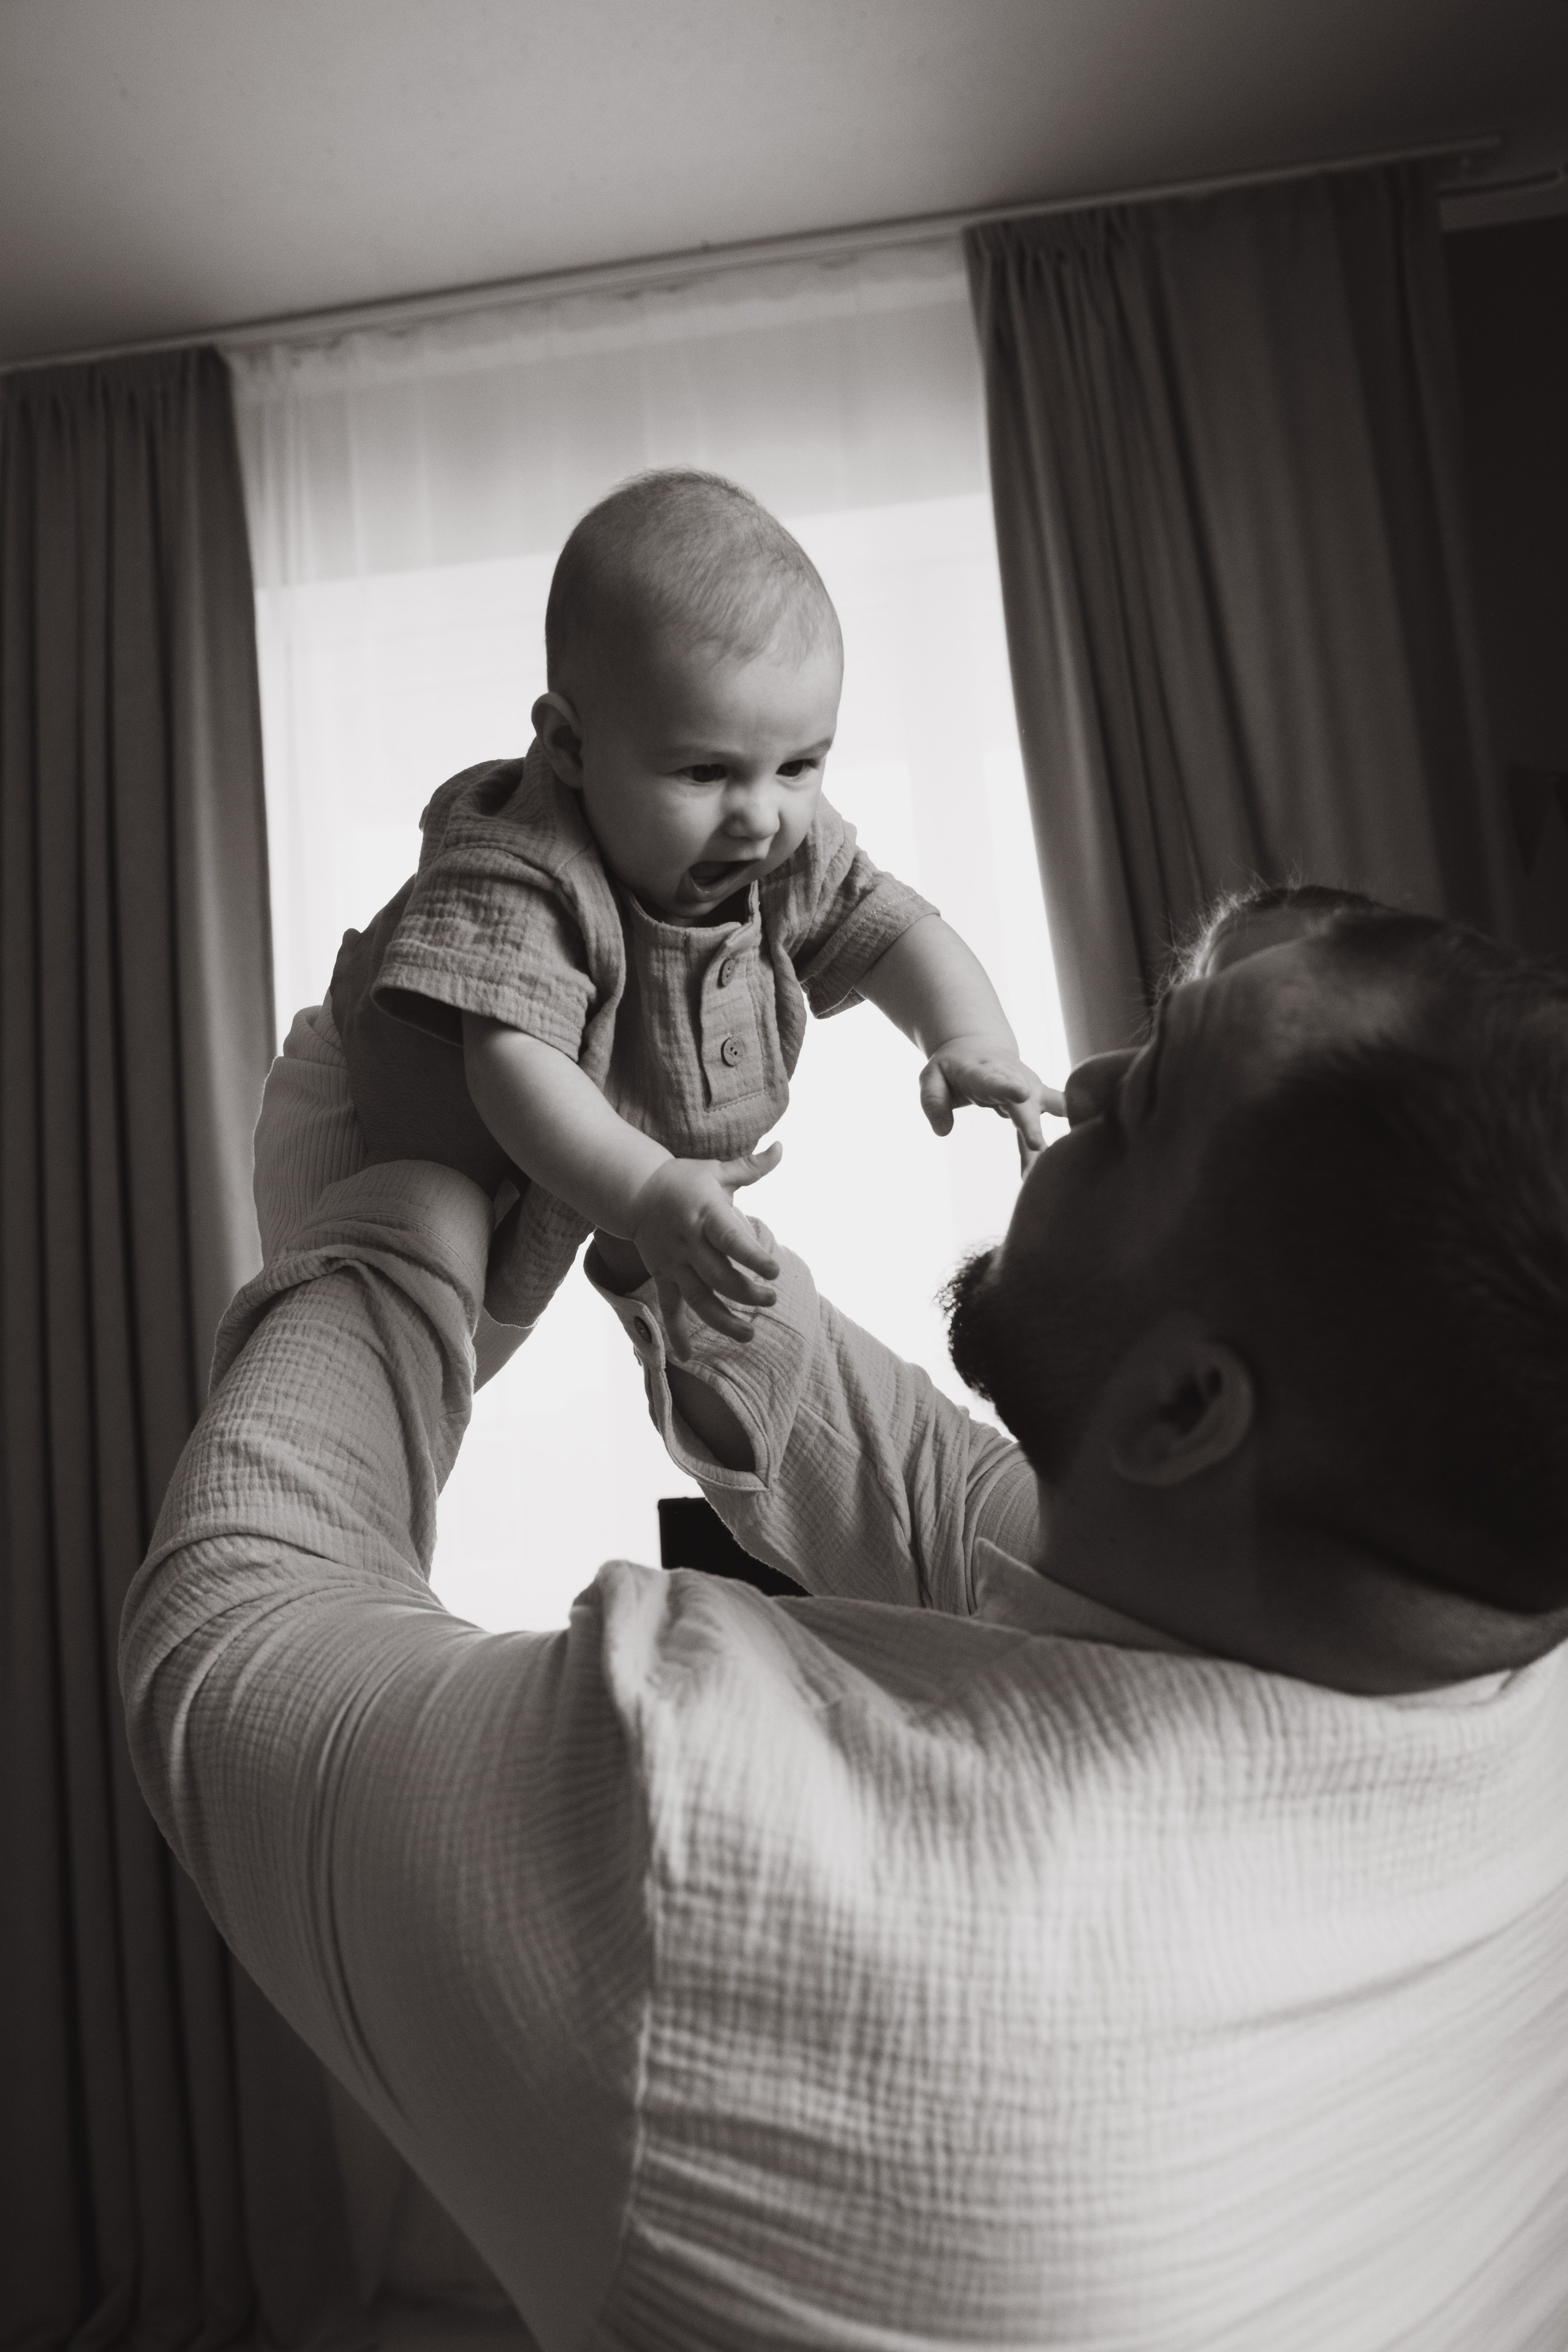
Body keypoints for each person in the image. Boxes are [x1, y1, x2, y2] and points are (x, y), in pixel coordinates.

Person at [123, 886, 1568, 2350]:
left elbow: (238, 1630)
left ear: (1189, 1406)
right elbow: (967, 1517)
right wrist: (646, 1209)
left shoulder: (708, 1864)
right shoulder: (1484, 1622)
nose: (1082, 1084)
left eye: (1145, 1109)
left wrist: (407, 1196)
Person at [262, 467, 1056, 1357]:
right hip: (370, 1105)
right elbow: (511, 1063)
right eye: (705, 773)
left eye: (799, 765)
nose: (761, 815)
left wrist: (970, 1041)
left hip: (552, 1163)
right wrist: (643, 1194)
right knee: (348, 1341)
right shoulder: (524, 863)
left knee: (460, 1362)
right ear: (569, 746)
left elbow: (892, 931)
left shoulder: (779, 848)